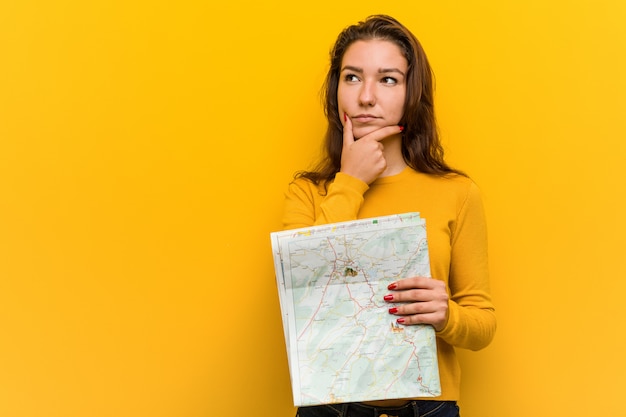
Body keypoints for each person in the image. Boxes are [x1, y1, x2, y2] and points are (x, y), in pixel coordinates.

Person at [282, 15, 496, 417]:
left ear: (412, 92)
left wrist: (447, 314)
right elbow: (300, 294)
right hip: (330, 407)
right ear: (336, 91)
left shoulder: (457, 193)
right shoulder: (308, 193)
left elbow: (482, 323)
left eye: (388, 79)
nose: (366, 97)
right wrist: (350, 181)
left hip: (428, 408)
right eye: (351, 77)